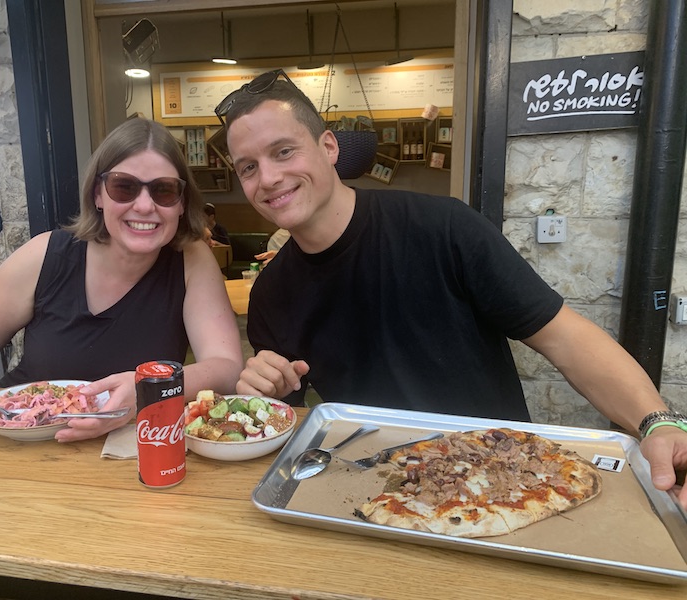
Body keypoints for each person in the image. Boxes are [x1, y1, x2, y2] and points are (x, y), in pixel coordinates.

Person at [218, 69, 687, 507]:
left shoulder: (444, 228)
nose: (269, 178)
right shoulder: (271, 293)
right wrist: (266, 395)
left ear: (329, 146)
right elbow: (291, 419)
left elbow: (564, 337)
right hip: (376, 491)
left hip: (504, 479)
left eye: (283, 151)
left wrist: (656, 422)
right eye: (248, 167)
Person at [0, 118, 244, 443]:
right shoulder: (46, 255)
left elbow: (226, 368)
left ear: (181, 203)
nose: (144, 206)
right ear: (98, 195)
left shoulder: (190, 260)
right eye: (124, 187)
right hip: (23, 443)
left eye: (164, 190)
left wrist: (148, 390)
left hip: (128, 456)